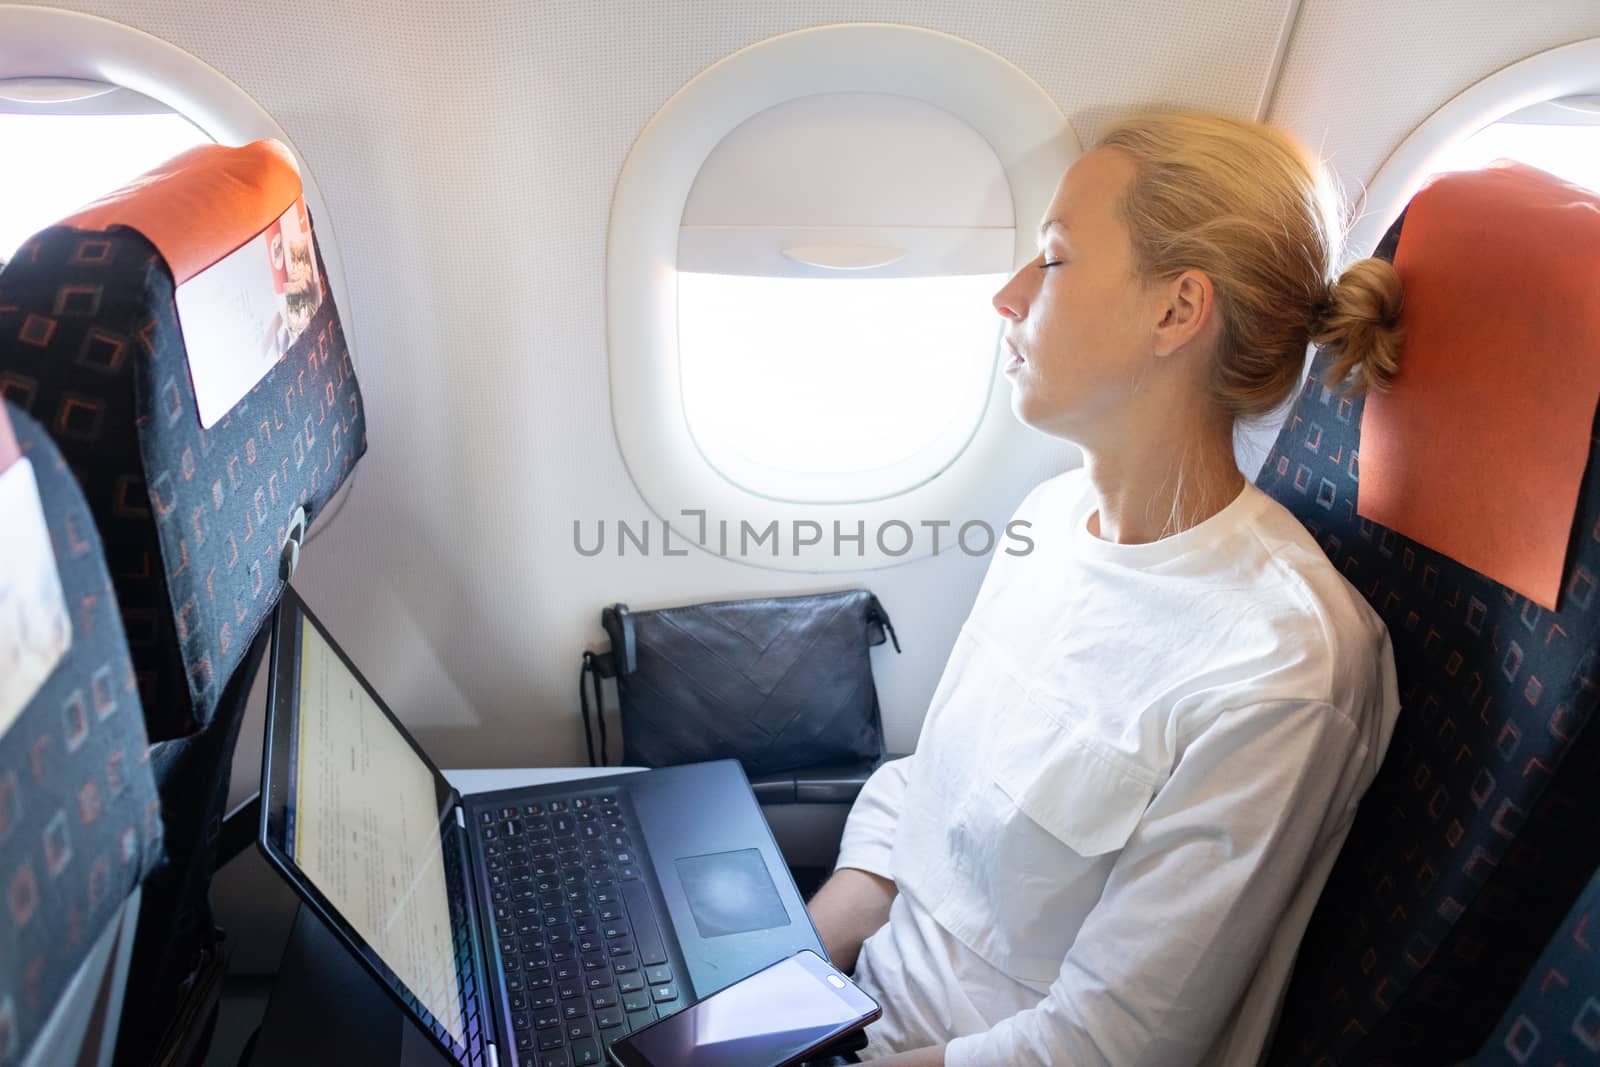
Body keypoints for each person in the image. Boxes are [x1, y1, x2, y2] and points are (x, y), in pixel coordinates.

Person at [804, 110, 1404, 1067]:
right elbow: (927, 801)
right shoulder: (1050, 517)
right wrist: (775, 979)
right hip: (846, 1013)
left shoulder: (1284, 665)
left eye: (1050, 259)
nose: (1006, 297)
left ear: (1177, 311)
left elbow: (1108, 1048)